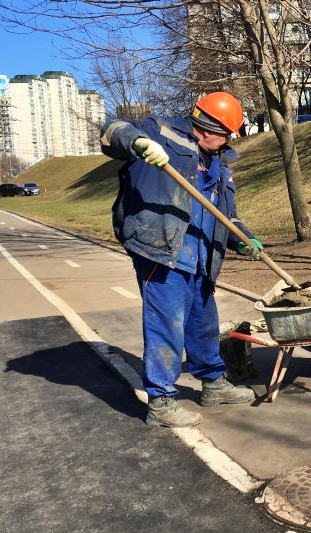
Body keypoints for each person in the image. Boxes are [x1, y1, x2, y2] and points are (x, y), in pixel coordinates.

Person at [100, 92, 263, 428]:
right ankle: (160, 402)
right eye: (227, 134)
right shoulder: (159, 131)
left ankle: (213, 384)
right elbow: (112, 131)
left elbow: (226, 217)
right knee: (167, 325)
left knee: (204, 325)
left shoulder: (219, 165)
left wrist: (243, 239)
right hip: (162, 250)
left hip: (202, 257)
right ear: (208, 126)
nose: (228, 141)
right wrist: (140, 143)